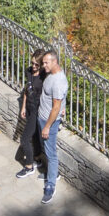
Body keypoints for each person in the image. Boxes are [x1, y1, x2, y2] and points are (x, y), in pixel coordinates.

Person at [13, 50, 49, 180]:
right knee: (34, 137)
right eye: (32, 63)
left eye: (36, 65)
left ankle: (29, 166)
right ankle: (37, 158)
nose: (33, 67)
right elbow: (27, 90)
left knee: (24, 139)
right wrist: (23, 106)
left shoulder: (44, 77)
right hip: (28, 108)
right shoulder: (29, 72)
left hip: (37, 111)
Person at [38, 50, 68, 204]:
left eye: (46, 63)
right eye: (43, 63)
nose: (43, 66)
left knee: (51, 153)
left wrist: (47, 127)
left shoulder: (58, 82)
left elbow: (56, 108)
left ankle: (51, 185)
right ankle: (52, 173)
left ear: (54, 62)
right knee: (45, 148)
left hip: (48, 122)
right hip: (42, 118)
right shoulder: (52, 75)